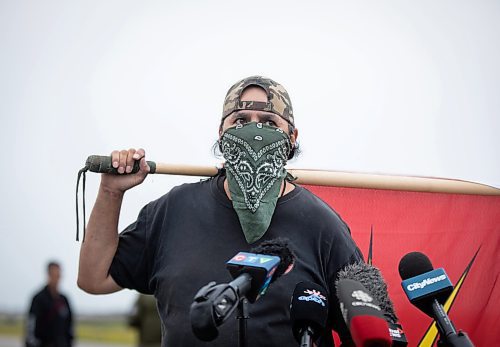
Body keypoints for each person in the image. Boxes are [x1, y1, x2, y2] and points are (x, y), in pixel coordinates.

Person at [78, 76, 363, 346]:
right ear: (221, 132)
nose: (254, 131)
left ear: (292, 136)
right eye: (240, 120)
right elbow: (94, 278)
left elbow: (365, 327)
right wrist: (110, 192)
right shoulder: (173, 211)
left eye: (268, 121)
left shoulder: (323, 226)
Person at [26, 261, 73, 347]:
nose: (57, 278)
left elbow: (70, 326)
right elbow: (31, 326)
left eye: (58, 275)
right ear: (48, 275)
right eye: (54, 275)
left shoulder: (64, 300)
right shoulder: (39, 299)